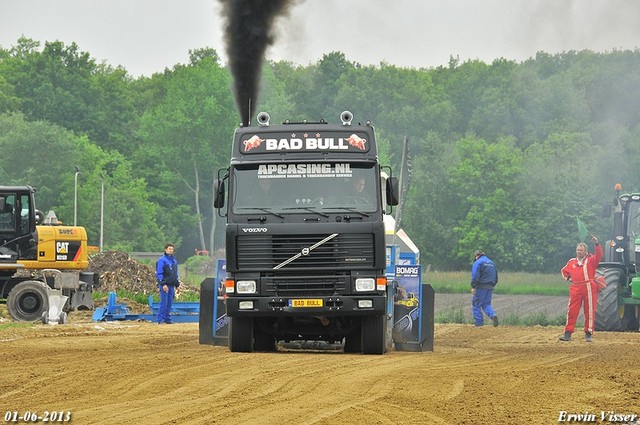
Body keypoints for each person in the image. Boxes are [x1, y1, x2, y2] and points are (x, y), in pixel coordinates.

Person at [559, 235, 602, 342]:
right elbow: (564, 271)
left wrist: (597, 244)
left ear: (585, 251)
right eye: (577, 250)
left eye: (581, 250)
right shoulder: (571, 262)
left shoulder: (591, 260)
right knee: (572, 310)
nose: (579, 252)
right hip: (575, 287)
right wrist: (568, 278)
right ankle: (568, 333)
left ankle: (588, 333)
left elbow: (599, 255)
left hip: (589, 286)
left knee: (589, 310)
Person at [471, 250, 499, 327]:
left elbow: (475, 276)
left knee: (476, 304)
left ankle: (479, 323)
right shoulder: (492, 263)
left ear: (476, 256)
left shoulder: (478, 262)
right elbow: (496, 277)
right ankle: (493, 315)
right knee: (486, 304)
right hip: (490, 286)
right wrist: (491, 285)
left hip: (481, 286)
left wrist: (473, 286)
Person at [156, 243, 180, 324]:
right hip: (165, 285)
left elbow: (175, 274)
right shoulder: (162, 260)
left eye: (172, 249)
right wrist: (163, 284)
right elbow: (159, 273)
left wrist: (177, 285)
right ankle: (160, 319)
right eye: (169, 249)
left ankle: (167, 318)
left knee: (169, 302)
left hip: (172, 285)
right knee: (164, 302)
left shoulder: (174, 261)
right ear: (165, 249)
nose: (171, 251)